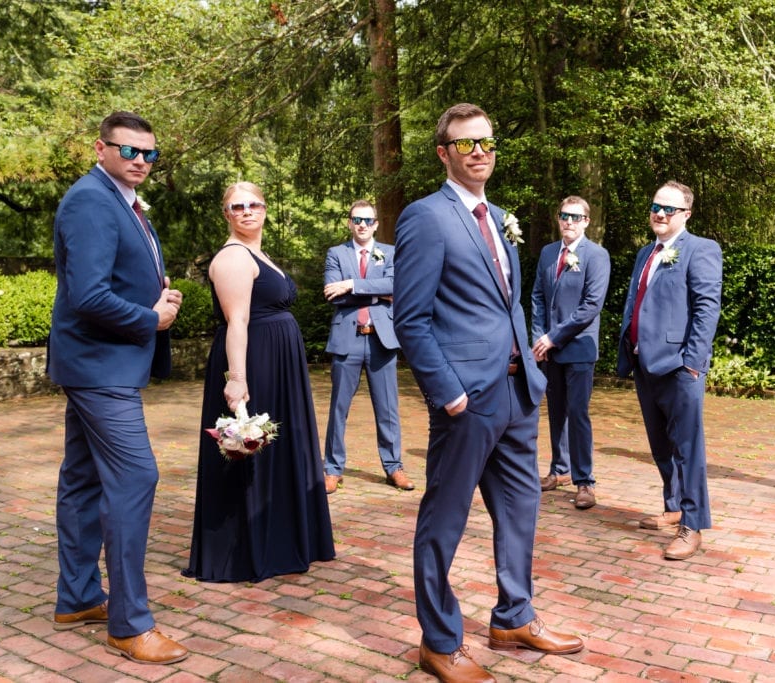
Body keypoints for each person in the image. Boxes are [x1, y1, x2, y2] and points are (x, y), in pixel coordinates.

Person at [394, 103, 583, 683]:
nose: (480, 151)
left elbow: (508, 304)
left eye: (487, 142)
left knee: (521, 512)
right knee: (444, 521)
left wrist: (530, 367)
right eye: (467, 143)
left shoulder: (500, 217)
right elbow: (411, 318)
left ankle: (513, 617)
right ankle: (440, 641)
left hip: (517, 391)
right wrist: (447, 392)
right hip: (467, 399)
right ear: (444, 153)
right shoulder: (424, 217)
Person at [48, 111, 189, 664]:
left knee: (83, 480)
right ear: (100, 148)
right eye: (128, 150)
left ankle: (79, 598)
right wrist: (150, 317)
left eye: (149, 154)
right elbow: (87, 296)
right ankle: (130, 623)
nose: (140, 161)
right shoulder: (90, 200)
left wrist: (157, 293)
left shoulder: (120, 201)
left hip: (98, 364)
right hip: (98, 366)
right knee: (136, 476)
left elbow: (112, 278)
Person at [183, 181, 336, 583]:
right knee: (251, 447)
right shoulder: (233, 257)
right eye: (237, 206)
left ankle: (285, 539)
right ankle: (247, 551)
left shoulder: (258, 253)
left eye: (254, 204)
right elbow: (237, 322)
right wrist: (237, 378)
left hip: (279, 361)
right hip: (256, 360)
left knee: (278, 449)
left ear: (265, 208)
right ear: (226, 214)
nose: (247, 210)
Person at [617, 181, 722, 561]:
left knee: (688, 448)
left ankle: (692, 526)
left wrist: (693, 362)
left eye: (669, 209)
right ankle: (673, 505)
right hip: (645, 363)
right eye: (655, 206)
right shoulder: (647, 252)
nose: (660, 214)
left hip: (680, 366)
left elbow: (707, 308)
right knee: (660, 445)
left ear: (686, 215)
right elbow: (636, 301)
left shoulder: (701, 249)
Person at [321, 200, 413, 494]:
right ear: (349, 222)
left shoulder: (390, 253)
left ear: (375, 224)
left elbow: (396, 287)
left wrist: (351, 285)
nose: (362, 225)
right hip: (347, 339)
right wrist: (376, 293)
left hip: (381, 340)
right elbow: (333, 295)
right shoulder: (336, 253)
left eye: (367, 220)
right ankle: (333, 469)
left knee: (388, 409)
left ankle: (393, 466)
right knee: (338, 409)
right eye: (356, 219)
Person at [531, 196, 611, 509]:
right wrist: (539, 337)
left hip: (579, 348)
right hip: (550, 349)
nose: (569, 222)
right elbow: (538, 295)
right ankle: (559, 469)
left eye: (576, 217)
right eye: (564, 215)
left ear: (587, 221)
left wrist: (553, 337)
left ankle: (585, 481)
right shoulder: (549, 253)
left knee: (578, 414)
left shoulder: (597, 255)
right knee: (557, 411)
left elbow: (591, 306)